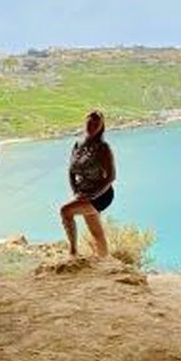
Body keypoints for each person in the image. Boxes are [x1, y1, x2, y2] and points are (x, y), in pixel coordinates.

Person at [61, 110, 116, 257]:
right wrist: (75, 191)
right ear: (85, 122)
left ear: (101, 127)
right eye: (90, 122)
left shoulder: (103, 148)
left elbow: (111, 177)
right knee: (96, 233)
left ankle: (73, 252)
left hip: (101, 195)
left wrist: (93, 195)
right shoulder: (78, 144)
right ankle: (105, 262)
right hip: (83, 193)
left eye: (97, 124)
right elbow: (71, 171)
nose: (92, 126)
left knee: (65, 211)